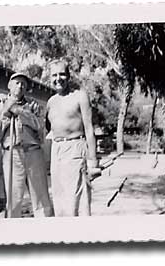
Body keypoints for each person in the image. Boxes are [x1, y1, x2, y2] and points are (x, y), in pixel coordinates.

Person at [0, 73, 53, 218]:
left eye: (23, 84)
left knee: (41, 197)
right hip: (12, 153)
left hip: (33, 153)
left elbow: (39, 126)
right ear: (9, 85)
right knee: (14, 199)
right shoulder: (1, 104)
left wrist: (20, 112)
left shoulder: (33, 104)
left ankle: (46, 232)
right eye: (17, 83)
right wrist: (7, 112)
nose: (20, 86)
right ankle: (14, 233)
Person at [46, 59, 101, 217]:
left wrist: (93, 161)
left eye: (62, 74)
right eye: (54, 75)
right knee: (59, 199)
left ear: (69, 76)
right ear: (50, 78)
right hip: (56, 151)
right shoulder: (51, 102)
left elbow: (89, 129)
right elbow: (49, 129)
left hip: (75, 148)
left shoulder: (80, 96)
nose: (58, 78)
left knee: (76, 201)